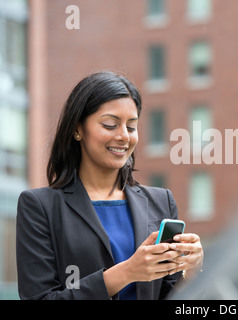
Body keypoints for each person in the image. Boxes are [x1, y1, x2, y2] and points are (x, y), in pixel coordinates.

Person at [16, 71, 204, 300]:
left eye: (131, 127)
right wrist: (126, 273)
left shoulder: (161, 201)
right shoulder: (39, 207)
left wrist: (191, 270)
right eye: (110, 124)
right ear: (77, 129)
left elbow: (169, 295)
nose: (124, 136)